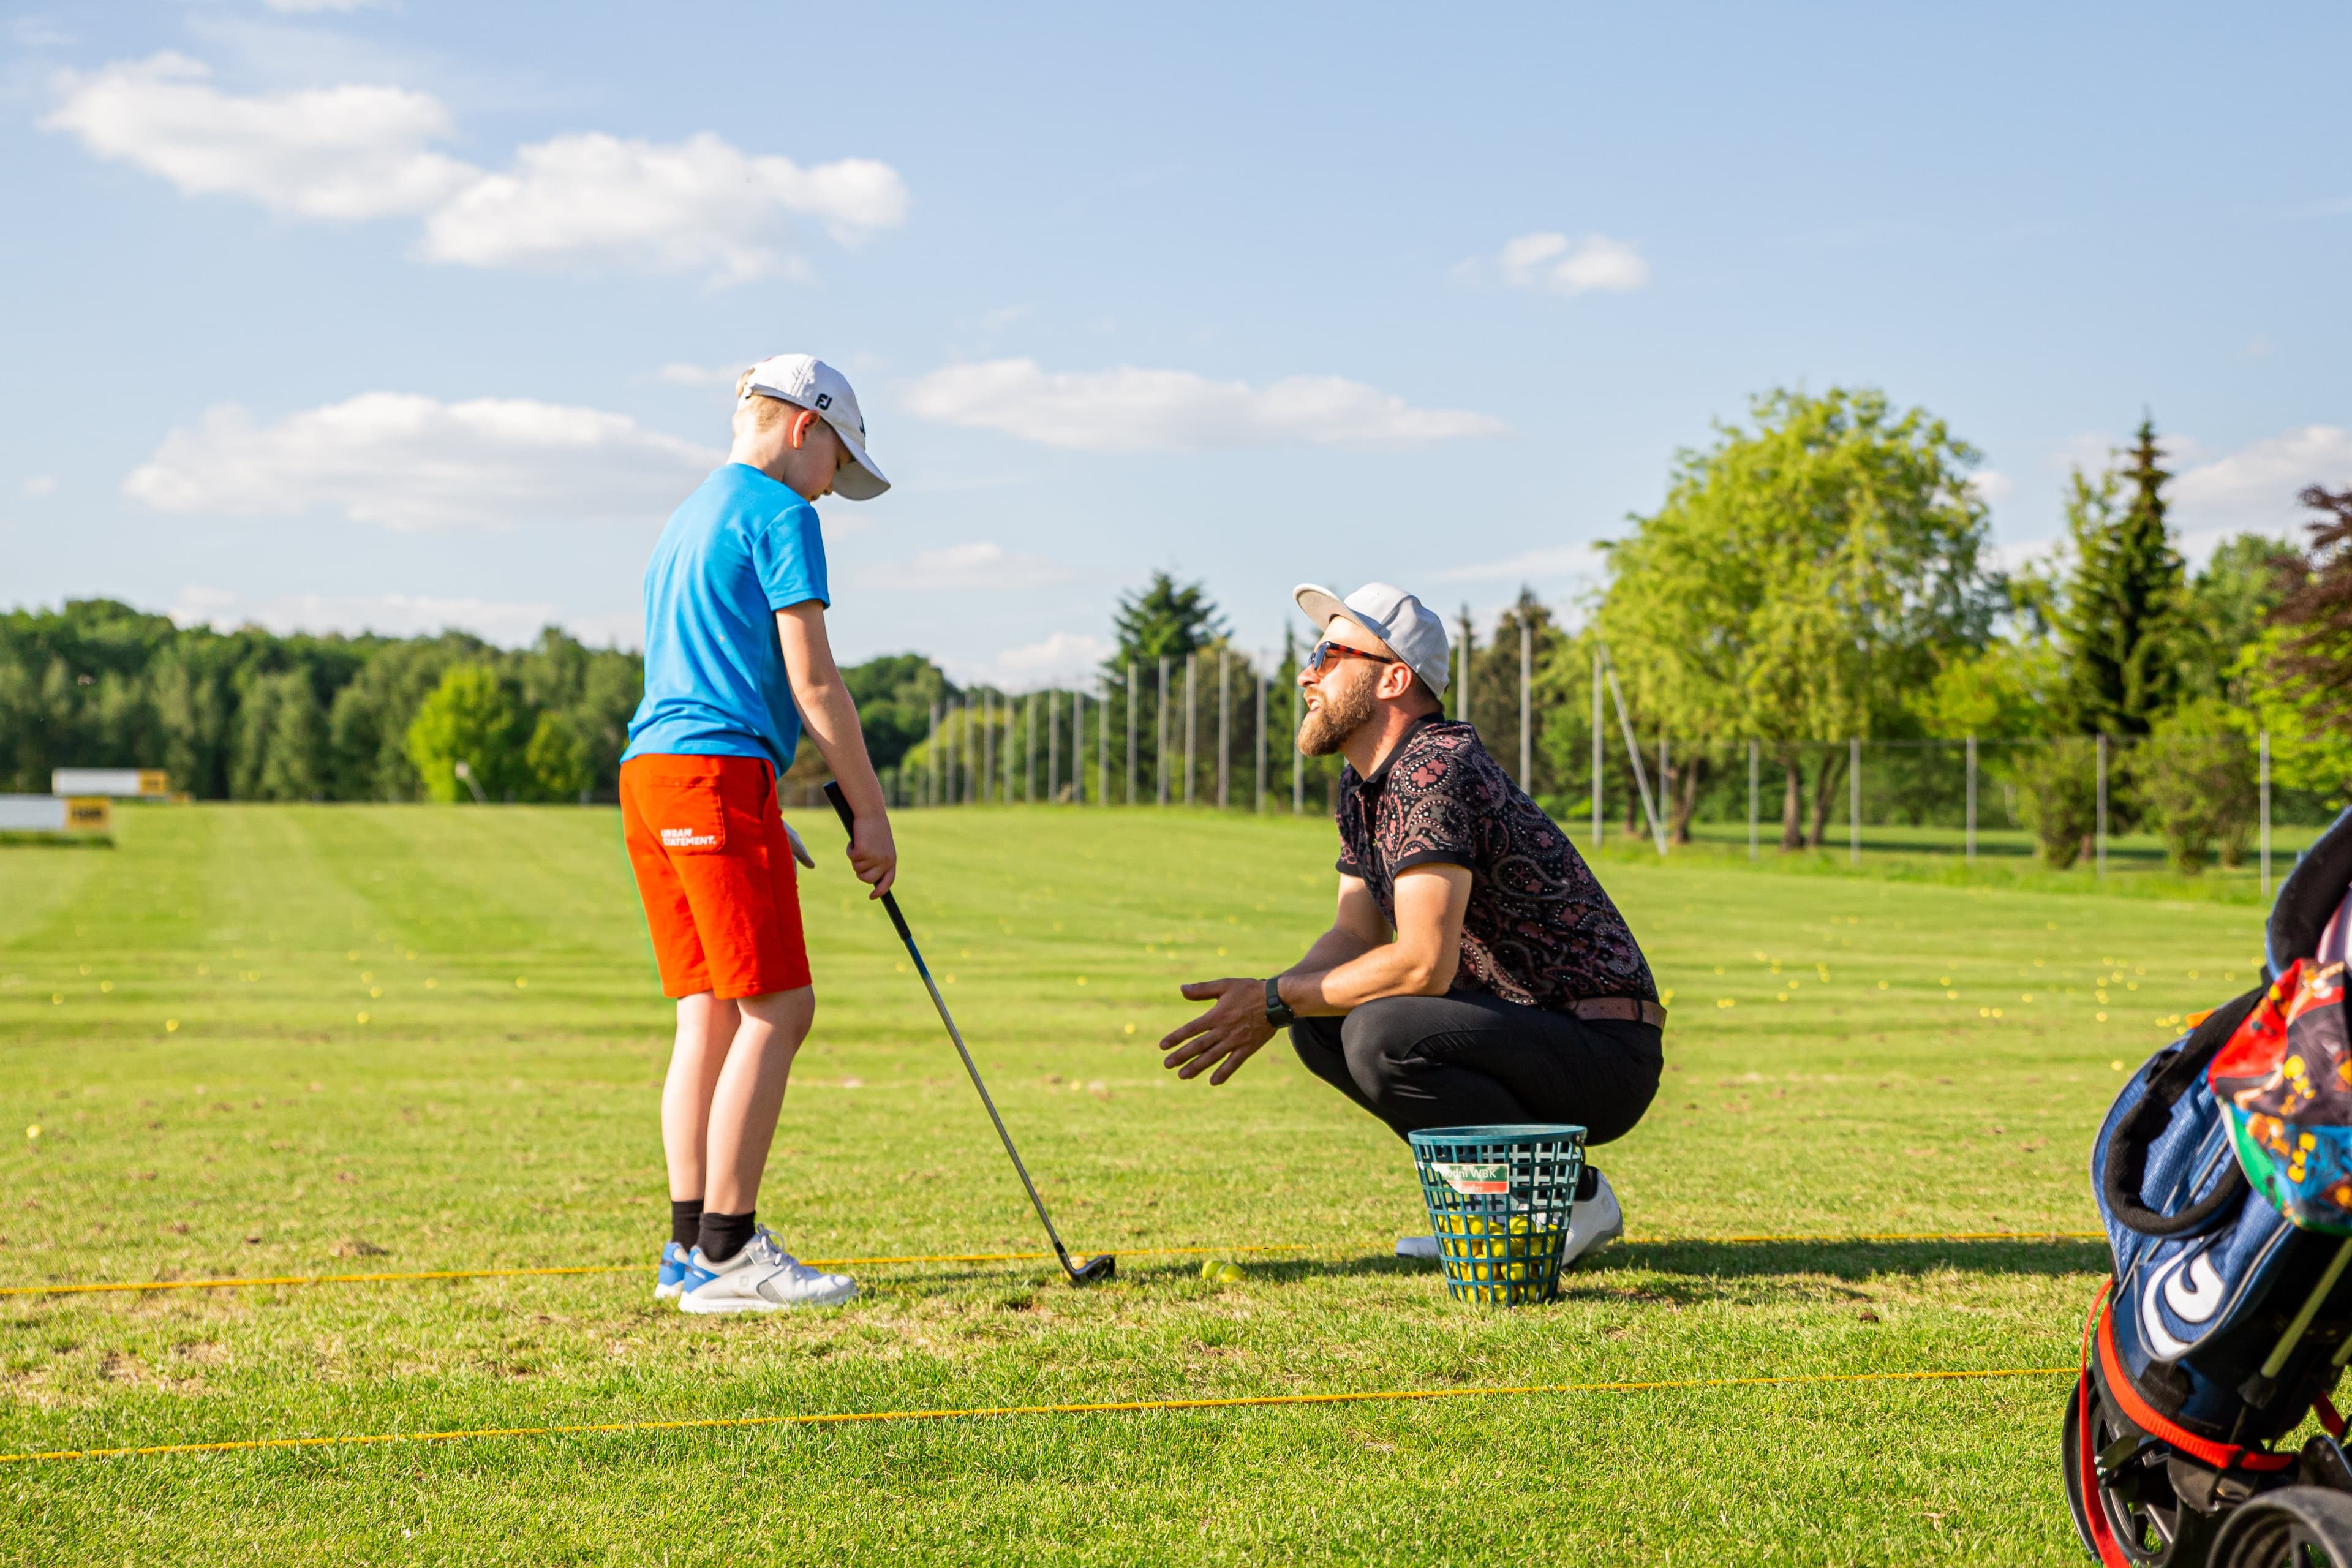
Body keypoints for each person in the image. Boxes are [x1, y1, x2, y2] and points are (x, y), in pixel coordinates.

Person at [1156, 582, 1664, 1265]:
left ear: (1394, 677)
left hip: (1600, 1045)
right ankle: (1495, 1215)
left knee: (1378, 1030)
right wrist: (1276, 999)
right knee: (1325, 1021)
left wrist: (1274, 998)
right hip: (1520, 1028)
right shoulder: (1367, 784)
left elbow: (1424, 964)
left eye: (1332, 652)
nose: (1308, 672)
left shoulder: (1434, 768)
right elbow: (1353, 937)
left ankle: (1572, 1198)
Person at [619, 354, 897, 1313]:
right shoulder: (785, 515)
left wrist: (764, 795)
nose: (834, 488)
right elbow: (814, 684)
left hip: (656, 777)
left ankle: (687, 1248)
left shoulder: (688, 515)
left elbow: (712, 671)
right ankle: (731, 1256)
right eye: (838, 462)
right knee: (779, 1009)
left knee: (709, 1009)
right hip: (714, 776)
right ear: (801, 429)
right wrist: (870, 811)